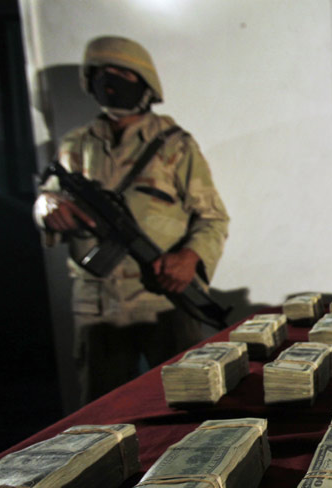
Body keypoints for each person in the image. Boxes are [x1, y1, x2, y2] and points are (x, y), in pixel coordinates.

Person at [33, 36, 230, 405]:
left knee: (189, 403)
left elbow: (213, 218)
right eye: (102, 74)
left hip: (164, 299)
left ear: (145, 83)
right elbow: (49, 196)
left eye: (123, 74)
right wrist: (47, 209)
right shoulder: (75, 145)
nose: (110, 82)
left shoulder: (175, 145)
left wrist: (189, 258)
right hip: (98, 305)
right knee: (102, 412)